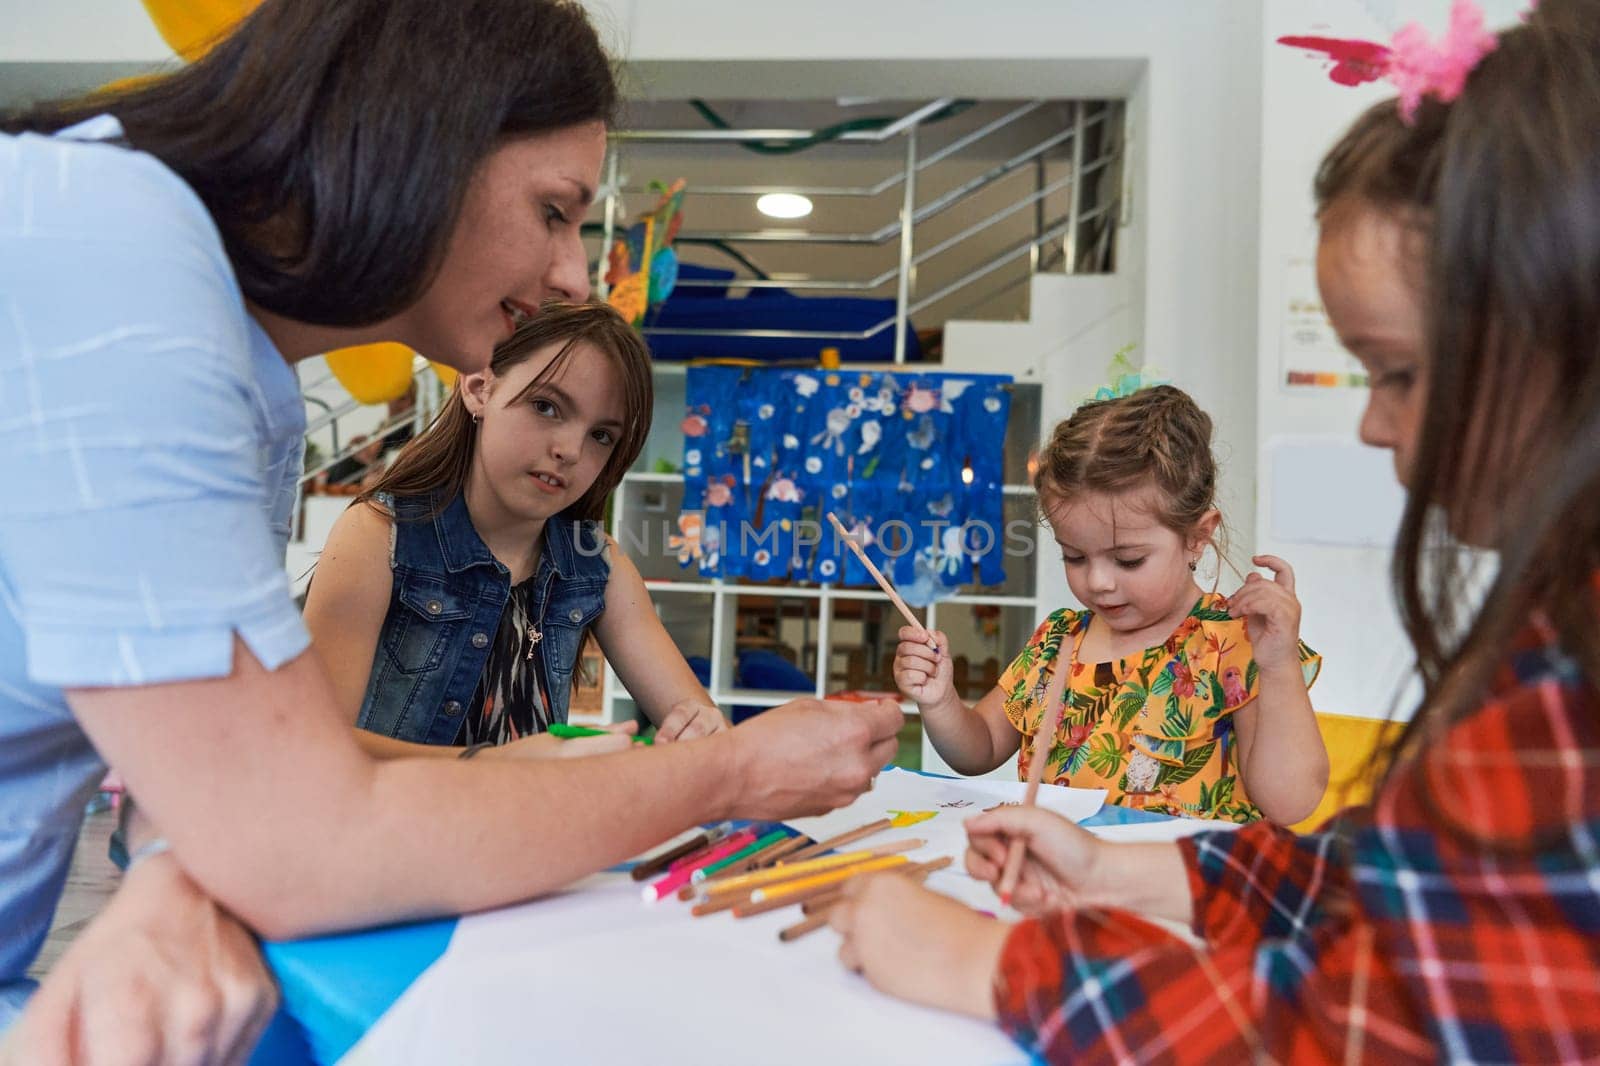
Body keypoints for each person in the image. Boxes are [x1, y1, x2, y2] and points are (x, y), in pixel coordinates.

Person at [0, 2, 902, 1061]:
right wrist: (730, 772)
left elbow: (221, 781)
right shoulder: (125, 274)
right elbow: (306, 836)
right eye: (555, 211)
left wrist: (199, 866)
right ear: (418, 133)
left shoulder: (240, 368)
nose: (574, 275)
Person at [829, 5, 1600, 1060]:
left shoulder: (1242, 650)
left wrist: (990, 965)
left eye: (1401, 374)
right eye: (1075, 557)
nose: (1373, 423)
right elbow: (1389, 879)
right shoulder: (1057, 647)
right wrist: (1116, 871)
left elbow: (1363, 1024)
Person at [893, 384, 1326, 825]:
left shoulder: (1234, 644)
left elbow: (1290, 804)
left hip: (1175, 888)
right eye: (1074, 556)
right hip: (1055, 882)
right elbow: (979, 749)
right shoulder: (1057, 639)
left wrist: (1277, 665)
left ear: (1198, 536)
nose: (1098, 582)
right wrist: (940, 700)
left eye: (1128, 560)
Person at [306, 302, 726, 754]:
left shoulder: (597, 562)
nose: (570, 450)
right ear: (478, 386)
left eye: (601, 436)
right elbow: (315, 746)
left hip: (535, 821)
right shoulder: (377, 534)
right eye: (546, 406)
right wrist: (506, 765)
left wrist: (699, 731)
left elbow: (703, 733)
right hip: (398, 823)